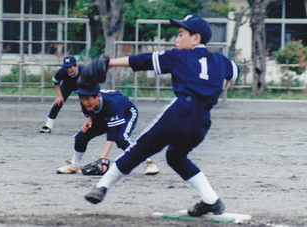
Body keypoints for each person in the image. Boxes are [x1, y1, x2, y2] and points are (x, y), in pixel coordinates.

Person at [84, 13, 240, 217]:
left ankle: (102, 187)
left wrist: (109, 63)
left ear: (196, 38)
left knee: (139, 149)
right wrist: (230, 79)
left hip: (180, 112)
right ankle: (211, 200)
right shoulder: (220, 60)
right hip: (202, 122)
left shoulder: (178, 56)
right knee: (176, 156)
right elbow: (235, 71)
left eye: (181, 33)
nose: (176, 39)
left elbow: (143, 60)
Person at [56, 84, 160, 175]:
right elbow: (89, 111)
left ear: (98, 96)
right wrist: (90, 120)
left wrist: (103, 158)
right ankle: (75, 165)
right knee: (81, 136)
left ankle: (148, 163)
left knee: (121, 139)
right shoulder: (85, 102)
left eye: (87, 98)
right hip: (105, 115)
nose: (84, 101)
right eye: (81, 97)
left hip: (126, 113)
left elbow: (112, 134)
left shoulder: (112, 103)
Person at [40, 55, 83, 133]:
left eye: (71, 67)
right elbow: (56, 82)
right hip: (67, 86)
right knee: (58, 103)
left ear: (76, 65)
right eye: (67, 68)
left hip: (81, 86)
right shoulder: (62, 72)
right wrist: (60, 96)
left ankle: (95, 123)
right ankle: (48, 125)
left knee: (87, 104)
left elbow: (92, 82)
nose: (69, 69)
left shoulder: (84, 71)